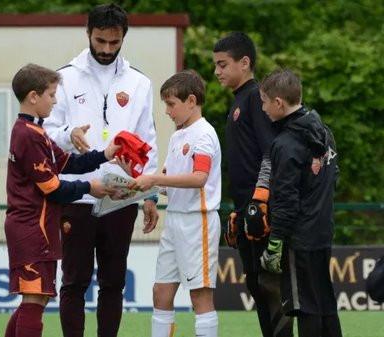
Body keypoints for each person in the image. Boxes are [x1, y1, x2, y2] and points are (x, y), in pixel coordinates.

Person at [44, 4, 159, 336]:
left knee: (113, 282)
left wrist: (149, 194)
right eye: (100, 41)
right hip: (76, 193)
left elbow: (147, 138)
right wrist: (69, 135)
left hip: (122, 196)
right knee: (74, 282)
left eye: (114, 42)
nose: (107, 49)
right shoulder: (63, 77)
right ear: (88, 33)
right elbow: (48, 133)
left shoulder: (140, 82)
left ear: (123, 37)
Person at [4, 63, 121, 337]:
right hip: (31, 227)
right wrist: (90, 188)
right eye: (51, 94)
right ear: (34, 97)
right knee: (34, 300)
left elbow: (68, 161)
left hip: (37, 227)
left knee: (36, 298)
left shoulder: (36, 131)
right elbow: (53, 188)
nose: (56, 100)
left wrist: (105, 154)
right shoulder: (28, 135)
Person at [127, 70, 220, 337]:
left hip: (197, 221)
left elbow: (199, 178)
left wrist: (153, 178)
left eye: (171, 104)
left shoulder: (204, 134)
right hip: (176, 221)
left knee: (200, 297)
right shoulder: (179, 135)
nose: (167, 111)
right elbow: (167, 181)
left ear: (191, 101)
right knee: (161, 292)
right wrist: (140, 185)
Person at [213, 32, 293, 337]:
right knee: (256, 285)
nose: (217, 71)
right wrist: (240, 208)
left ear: (244, 63)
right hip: (246, 208)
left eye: (223, 64)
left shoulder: (256, 98)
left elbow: (271, 152)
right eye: (216, 65)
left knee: (270, 286)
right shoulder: (238, 101)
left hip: (262, 209)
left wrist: (260, 201)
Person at [258, 69, 342, 337]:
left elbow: (285, 199)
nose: (263, 108)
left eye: (264, 101)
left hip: (299, 237)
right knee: (324, 304)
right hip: (323, 229)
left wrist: (275, 243)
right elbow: (333, 176)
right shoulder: (323, 131)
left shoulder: (285, 143)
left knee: (303, 306)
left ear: (279, 103)